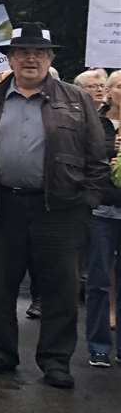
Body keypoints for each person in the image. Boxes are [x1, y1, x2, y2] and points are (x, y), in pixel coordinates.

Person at [0, 25, 110, 388]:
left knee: (61, 289)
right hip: (2, 206)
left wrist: (88, 203)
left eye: (38, 53)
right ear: (10, 59)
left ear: (50, 59)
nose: (30, 58)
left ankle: (55, 360)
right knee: (0, 286)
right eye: (22, 52)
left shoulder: (75, 99)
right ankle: (1, 352)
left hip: (60, 210)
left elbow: (98, 156)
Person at [84, 70, 121, 367]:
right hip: (101, 210)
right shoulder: (96, 121)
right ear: (108, 91)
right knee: (97, 280)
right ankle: (98, 345)